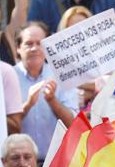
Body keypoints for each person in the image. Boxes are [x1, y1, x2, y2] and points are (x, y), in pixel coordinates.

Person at [13, 22, 78, 157]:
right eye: (29, 44)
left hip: (56, 162)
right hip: (20, 163)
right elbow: (5, 125)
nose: (34, 48)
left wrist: (52, 100)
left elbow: (73, 123)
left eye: (39, 43)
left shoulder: (61, 75)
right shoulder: (8, 77)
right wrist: (28, 105)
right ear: (18, 48)